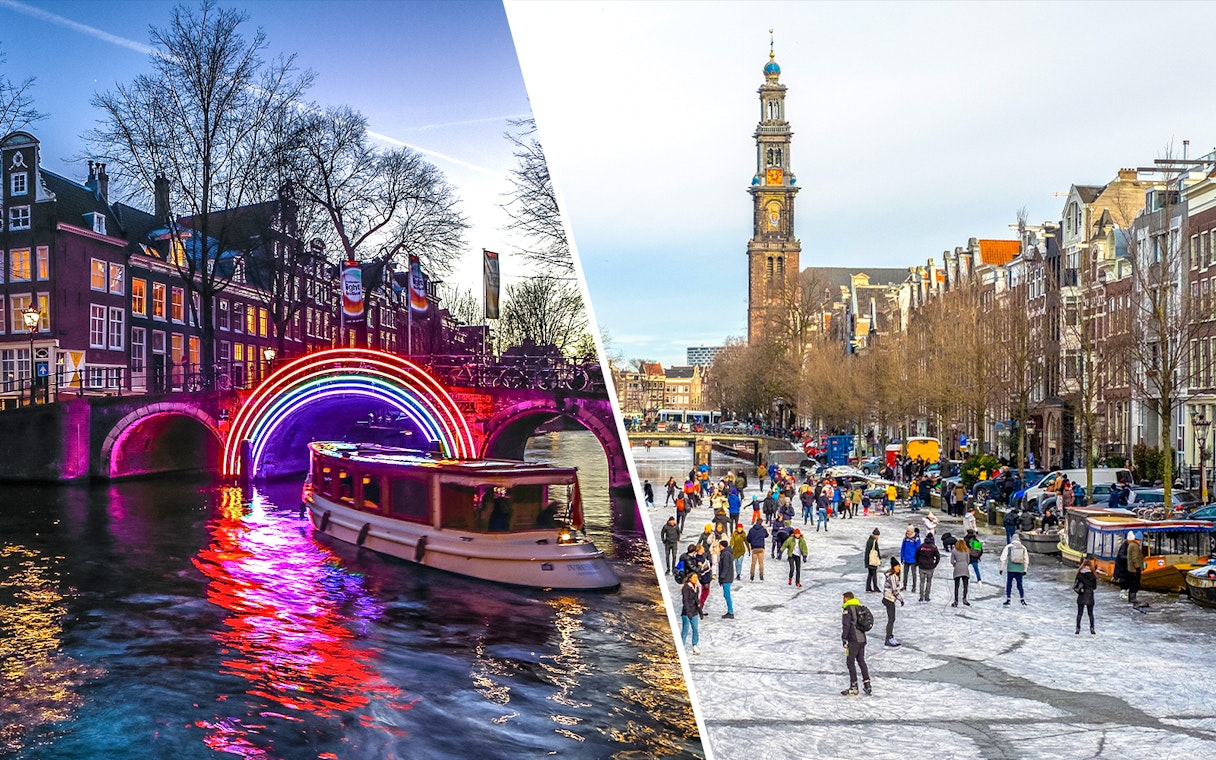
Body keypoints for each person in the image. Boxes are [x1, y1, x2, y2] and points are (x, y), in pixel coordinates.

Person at [840, 591, 872, 696]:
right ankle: (867, 684)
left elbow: (846, 625)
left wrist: (844, 639)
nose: (843, 600)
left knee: (850, 662)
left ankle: (854, 686)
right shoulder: (858, 607)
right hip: (862, 639)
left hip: (854, 639)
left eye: (844, 598)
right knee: (861, 660)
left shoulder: (848, 609)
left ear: (847, 598)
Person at [999, 533, 1030, 606]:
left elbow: (1003, 558)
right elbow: (1026, 560)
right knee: (1020, 584)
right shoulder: (1023, 547)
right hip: (1020, 569)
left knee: (1009, 584)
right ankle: (1022, 599)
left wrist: (1001, 568)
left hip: (1011, 569)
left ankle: (1008, 599)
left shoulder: (1009, 547)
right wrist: (1025, 570)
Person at [882, 557, 905, 647]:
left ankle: (890, 636)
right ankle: (888, 638)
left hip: (889, 598)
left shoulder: (893, 575)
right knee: (891, 619)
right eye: (896, 566)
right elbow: (895, 591)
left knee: (892, 619)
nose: (898, 568)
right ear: (893, 567)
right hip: (889, 599)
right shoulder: (893, 577)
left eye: (898, 566)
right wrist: (901, 599)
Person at [680, 573, 702, 655]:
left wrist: (700, 611)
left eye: (696, 577)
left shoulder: (697, 588)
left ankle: (695, 645)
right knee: (685, 630)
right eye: (694, 577)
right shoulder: (686, 588)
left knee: (695, 629)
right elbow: (685, 601)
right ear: (690, 578)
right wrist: (688, 612)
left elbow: (697, 600)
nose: (696, 579)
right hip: (686, 613)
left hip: (694, 612)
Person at [1074, 557, 1097, 634]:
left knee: (1079, 613)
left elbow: (1076, 584)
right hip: (1090, 595)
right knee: (1090, 614)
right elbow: (1094, 587)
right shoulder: (1093, 575)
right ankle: (1092, 628)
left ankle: (1078, 628)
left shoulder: (1079, 574)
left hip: (1081, 595)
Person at [915, 532, 941, 602]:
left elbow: (916, 555)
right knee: (929, 582)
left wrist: (918, 563)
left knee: (922, 582)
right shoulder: (934, 547)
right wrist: (934, 565)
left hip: (922, 567)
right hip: (930, 567)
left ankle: (921, 596)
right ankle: (927, 596)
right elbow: (938, 557)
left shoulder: (921, 546)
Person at [1125, 531, 1145, 605]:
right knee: (1135, 583)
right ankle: (1133, 598)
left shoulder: (1131, 545)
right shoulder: (1135, 546)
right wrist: (1137, 567)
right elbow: (1135, 558)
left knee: (1132, 583)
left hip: (1130, 568)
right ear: (1139, 540)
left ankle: (1131, 598)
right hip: (1134, 569)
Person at [950, 538, 971, 607]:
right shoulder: (966, 550)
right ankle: (964, 598)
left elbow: (952, 561)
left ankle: (956, 600)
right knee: (965, 585)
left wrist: (955, 564)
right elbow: (968, 561)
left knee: (956, 586)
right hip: (965, 568)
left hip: (957, 567)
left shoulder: (954, 551)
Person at [718, 539, 736, 619]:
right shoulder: (727, 553)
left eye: (719, 546)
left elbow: (725, 566)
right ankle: (730, 611)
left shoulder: (725, 554)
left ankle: (730, 611)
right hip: (728, 576)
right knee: (726, 594)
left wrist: (722, 576)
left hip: (726, 577)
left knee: (727, 595)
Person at [900, 526, 921, 592]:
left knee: (913, 573)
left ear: (912, 531)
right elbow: (903, 548)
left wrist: (918, 559)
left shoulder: (916, 539)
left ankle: (914, 586)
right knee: (905, 573)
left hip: (913, 559)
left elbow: (918, 550)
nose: (907, 532)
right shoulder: (905, 539)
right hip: (906, 558)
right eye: (907, 531)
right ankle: (904, 586)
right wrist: (902, 557)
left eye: (908, 531)